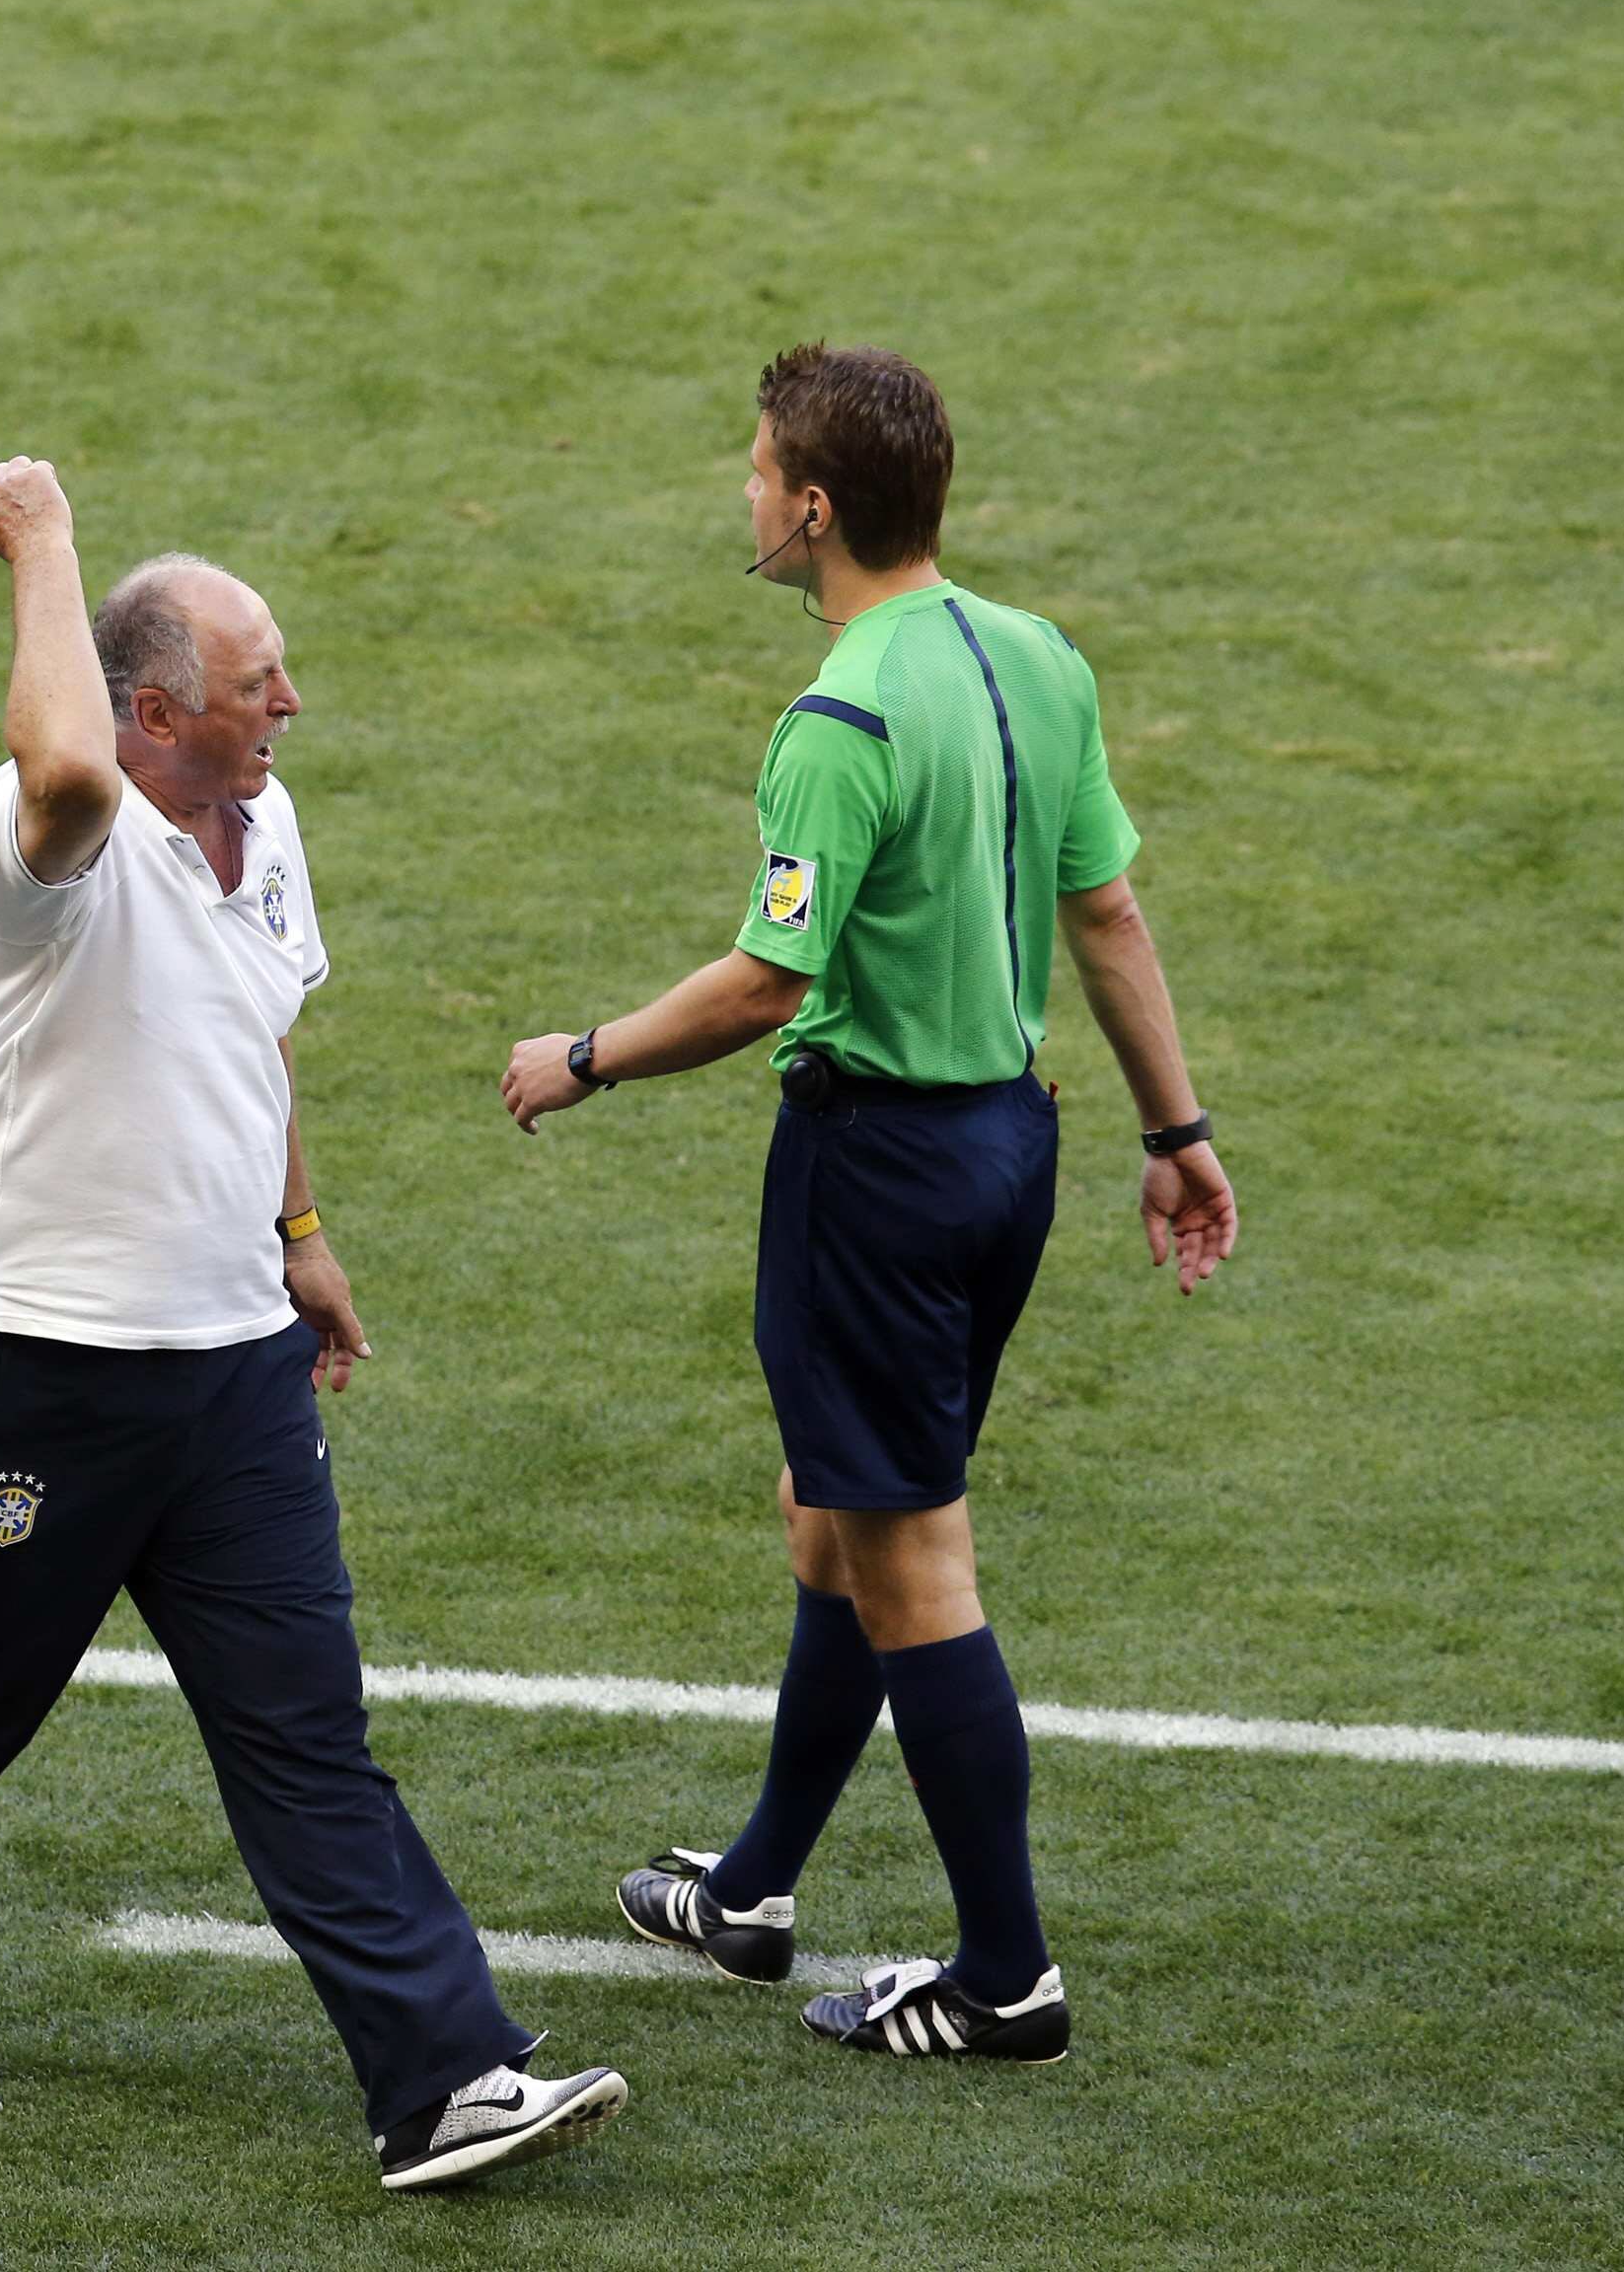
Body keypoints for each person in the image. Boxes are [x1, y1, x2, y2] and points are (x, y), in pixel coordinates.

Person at [0, 459, 629, 2192]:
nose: (294, 706)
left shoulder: (271, 822)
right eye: (261, 686)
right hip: (29, 1354)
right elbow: (66, 762)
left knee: (306, 1727)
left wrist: (300, 1229)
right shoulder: (47, 842)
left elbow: (258, 1040)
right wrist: (40, 538)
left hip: (233, 1365)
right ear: (156, 709)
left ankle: (444, 2077)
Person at [499, 344, 1237, 2064]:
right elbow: (1108, 917)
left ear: (815, 508)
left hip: (877, 1175)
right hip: (1010, 1155)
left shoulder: (836, 720)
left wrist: (588, 1056)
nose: (743, 493)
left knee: (910, 1555)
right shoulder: (1039, 659)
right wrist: (1176, 1126)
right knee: (831, 1506)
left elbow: (771, 981)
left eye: (757, 470)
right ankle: (753, 1889)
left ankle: (1005, 1975)